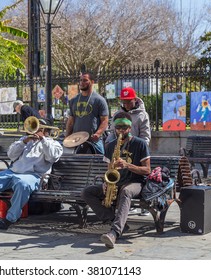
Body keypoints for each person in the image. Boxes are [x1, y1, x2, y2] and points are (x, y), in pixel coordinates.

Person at [0, 118, 63, 231]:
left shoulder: (53, 143)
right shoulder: (25, 140)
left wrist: (43, 140)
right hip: (13, 172)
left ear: (46, 130)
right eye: (35, 126)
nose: (36, 130)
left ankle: (10, 218)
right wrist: (24, 142)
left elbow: (52, 157)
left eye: (40, 128)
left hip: (34, 175)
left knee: (22, 184)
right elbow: (11, 155)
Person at [81, 111, 151, 249]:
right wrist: (107, 183)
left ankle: (114, 232)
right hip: (116, 182)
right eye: (118, 128)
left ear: (130, 128)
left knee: (126, 191)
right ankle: (114, 220)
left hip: (136, 182)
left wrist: (127, 165)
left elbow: (147, 170)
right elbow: (109, 170)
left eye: (124, 128)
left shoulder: (140, 144)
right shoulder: (111, 145)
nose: (120, 131)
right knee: (87, 192)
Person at [105, 87, 151, 216]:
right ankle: (121, 209)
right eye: (124, 102)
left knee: (136, 176)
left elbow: (146, 136)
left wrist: (139, 147)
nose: (126, 104)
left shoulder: (142, 114)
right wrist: (109, 145)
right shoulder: (117, 115)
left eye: (128, 101)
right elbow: (112, 132)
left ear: (135, 100)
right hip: (120, 149)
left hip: (136, 150)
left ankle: (143, 206)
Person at [65, 71, 109, 154]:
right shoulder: (74, 100)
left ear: (92, 82)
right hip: (76, 141)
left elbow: (105, 120)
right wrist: (67, 137)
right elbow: (70, 121)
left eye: (85, 80)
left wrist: (98, 134)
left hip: (93, 141)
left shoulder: (99, 100)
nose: (82, 82)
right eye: (81, 80)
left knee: (100, 164)